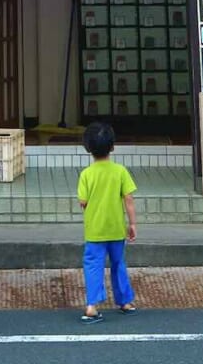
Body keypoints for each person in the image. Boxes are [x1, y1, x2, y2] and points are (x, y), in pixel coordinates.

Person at [76, 122, 138, 324]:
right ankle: (125, 302)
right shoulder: (120, 171)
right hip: (116, 229)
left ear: (88, 148)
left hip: (95, 230)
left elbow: (83, 202)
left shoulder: (86, 174)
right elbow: (128, 199)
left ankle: (92, 306)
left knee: (93, 265)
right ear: (112, 146)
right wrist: (133, 224)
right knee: (119, 264)